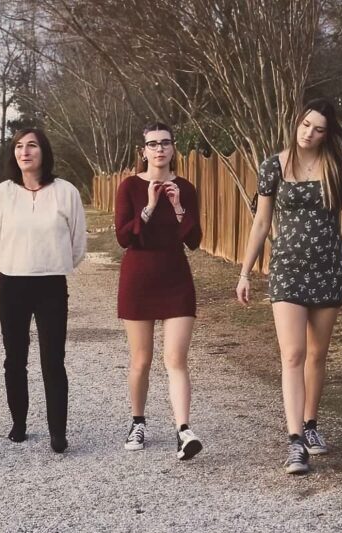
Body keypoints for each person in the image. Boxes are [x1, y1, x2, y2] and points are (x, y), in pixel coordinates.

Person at [235, 98, 342, 474]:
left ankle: (311, 424)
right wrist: (245, 272)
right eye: (305, 125)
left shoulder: (336, 167)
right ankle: (295, 441)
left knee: (316, 355)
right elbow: (261, 223)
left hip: (327, 269)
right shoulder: (273, 166)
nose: (309, 133)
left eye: (318, 129)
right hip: (287, 270)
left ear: (327, 134)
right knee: (293, 355)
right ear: (296, 122)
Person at [0, 127, 86, 453]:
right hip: (12, 283)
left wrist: (52, 263)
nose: (24, 152)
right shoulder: (2, 194)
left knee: (53, 359)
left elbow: (77, 244)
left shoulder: (65, 192)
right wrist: (15, 262)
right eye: (19, 146)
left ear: (44, 152)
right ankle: (19, 423)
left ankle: (58, 431)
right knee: (15, 359)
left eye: (32, 146)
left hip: (51, 284)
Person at [114, 122, 204, 460]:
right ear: (143, 151)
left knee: (176, 359)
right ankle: (137, 422)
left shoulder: (185, 188)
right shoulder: (129, 187)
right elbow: (124, 237)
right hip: (138, 279)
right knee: (142, 359)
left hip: (175, 278)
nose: (159, 149)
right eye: (152, 144)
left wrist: (178, 207)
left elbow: (194, 240)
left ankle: (183, 430)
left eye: (165, 143)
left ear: (173, 148)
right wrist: (149, 206)